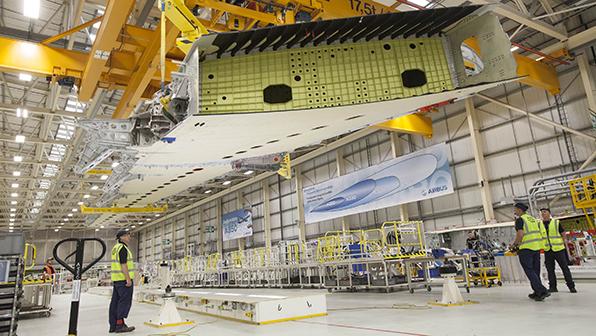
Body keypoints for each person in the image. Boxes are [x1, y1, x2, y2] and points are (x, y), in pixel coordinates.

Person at [511, 203, 549, 301]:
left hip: (526, 248)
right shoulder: (533, 219)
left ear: (519, 210)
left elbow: (520, 234)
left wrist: (514, 245)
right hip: (536, 248)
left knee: (529, 270)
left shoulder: (520, 220)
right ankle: (537, 292)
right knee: (536, 271)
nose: (514, 211)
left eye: (515, 209)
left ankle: (542, 291)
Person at [540, 208, 576, 293]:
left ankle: (571, 286)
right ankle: (553, 287)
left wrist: (565, 243)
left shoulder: (556, 222)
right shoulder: (540, 224)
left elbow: (563, 233)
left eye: (544, 212)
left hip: (559, 249)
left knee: (564, 268)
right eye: (541, 213)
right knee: (550, 269)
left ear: (549, 213)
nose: (543, 214)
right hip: (548, 250)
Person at [109, 230, 136, 333]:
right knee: (124, 302)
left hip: (117, 280)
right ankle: (120, 325)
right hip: (123, 280)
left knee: (115, 303)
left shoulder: (115, 248)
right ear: (122, 237)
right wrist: (128, 278)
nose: (129, 237)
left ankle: (113, 325)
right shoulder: (123, 248)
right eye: (128, 235)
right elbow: (123, 264)